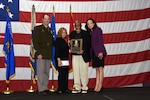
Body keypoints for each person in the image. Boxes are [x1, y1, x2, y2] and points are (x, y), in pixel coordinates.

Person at [32, 14, 53, 95]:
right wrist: (39, 53)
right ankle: (41, 89)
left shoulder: (50, 30)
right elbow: (35, 42)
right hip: (41, 53)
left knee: (46, 72)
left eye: (48, 19)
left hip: (48, 53)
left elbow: (51, 42)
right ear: (42, 19)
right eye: (45, 19)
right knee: (40, 72)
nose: (47, 20)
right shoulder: (37, 29)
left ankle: (45, 87)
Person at [85, 18, 107, 93]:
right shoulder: (90, 32)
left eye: (91, 23)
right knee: (97, 69)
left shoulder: (98, 30)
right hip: (94, 52)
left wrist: (100, 52)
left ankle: (100, 85)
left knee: (100, 68)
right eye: (88, 24)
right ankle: (97, 84)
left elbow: (101, 41)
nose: (89, 25)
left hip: (99, 51)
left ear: (94, 23)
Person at [70, 20, 91, 94]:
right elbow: (71, 44)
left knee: (84, 71)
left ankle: (84, 87)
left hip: (83, 55)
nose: (77, 26)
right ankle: (77, 87)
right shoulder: (72, 33)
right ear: (74, 26)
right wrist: (71, 48)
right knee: (76, 71)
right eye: (76, 25)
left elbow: (89, 45)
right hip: (75, 55)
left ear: (81, 25)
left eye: (78, 25)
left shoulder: (86, 33)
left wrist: (83, 50)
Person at [55, 27, 69, 94]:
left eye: (65, 32)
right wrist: (58, 60)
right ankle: (60, 88)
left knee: (65, 74)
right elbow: (57, 51)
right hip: (61, 59)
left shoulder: (64, 40)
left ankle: (65, 88)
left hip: (66, 59)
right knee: (61, 75)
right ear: (60, 33)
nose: (64, 34)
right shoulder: (58, 40)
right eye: (63, 32)